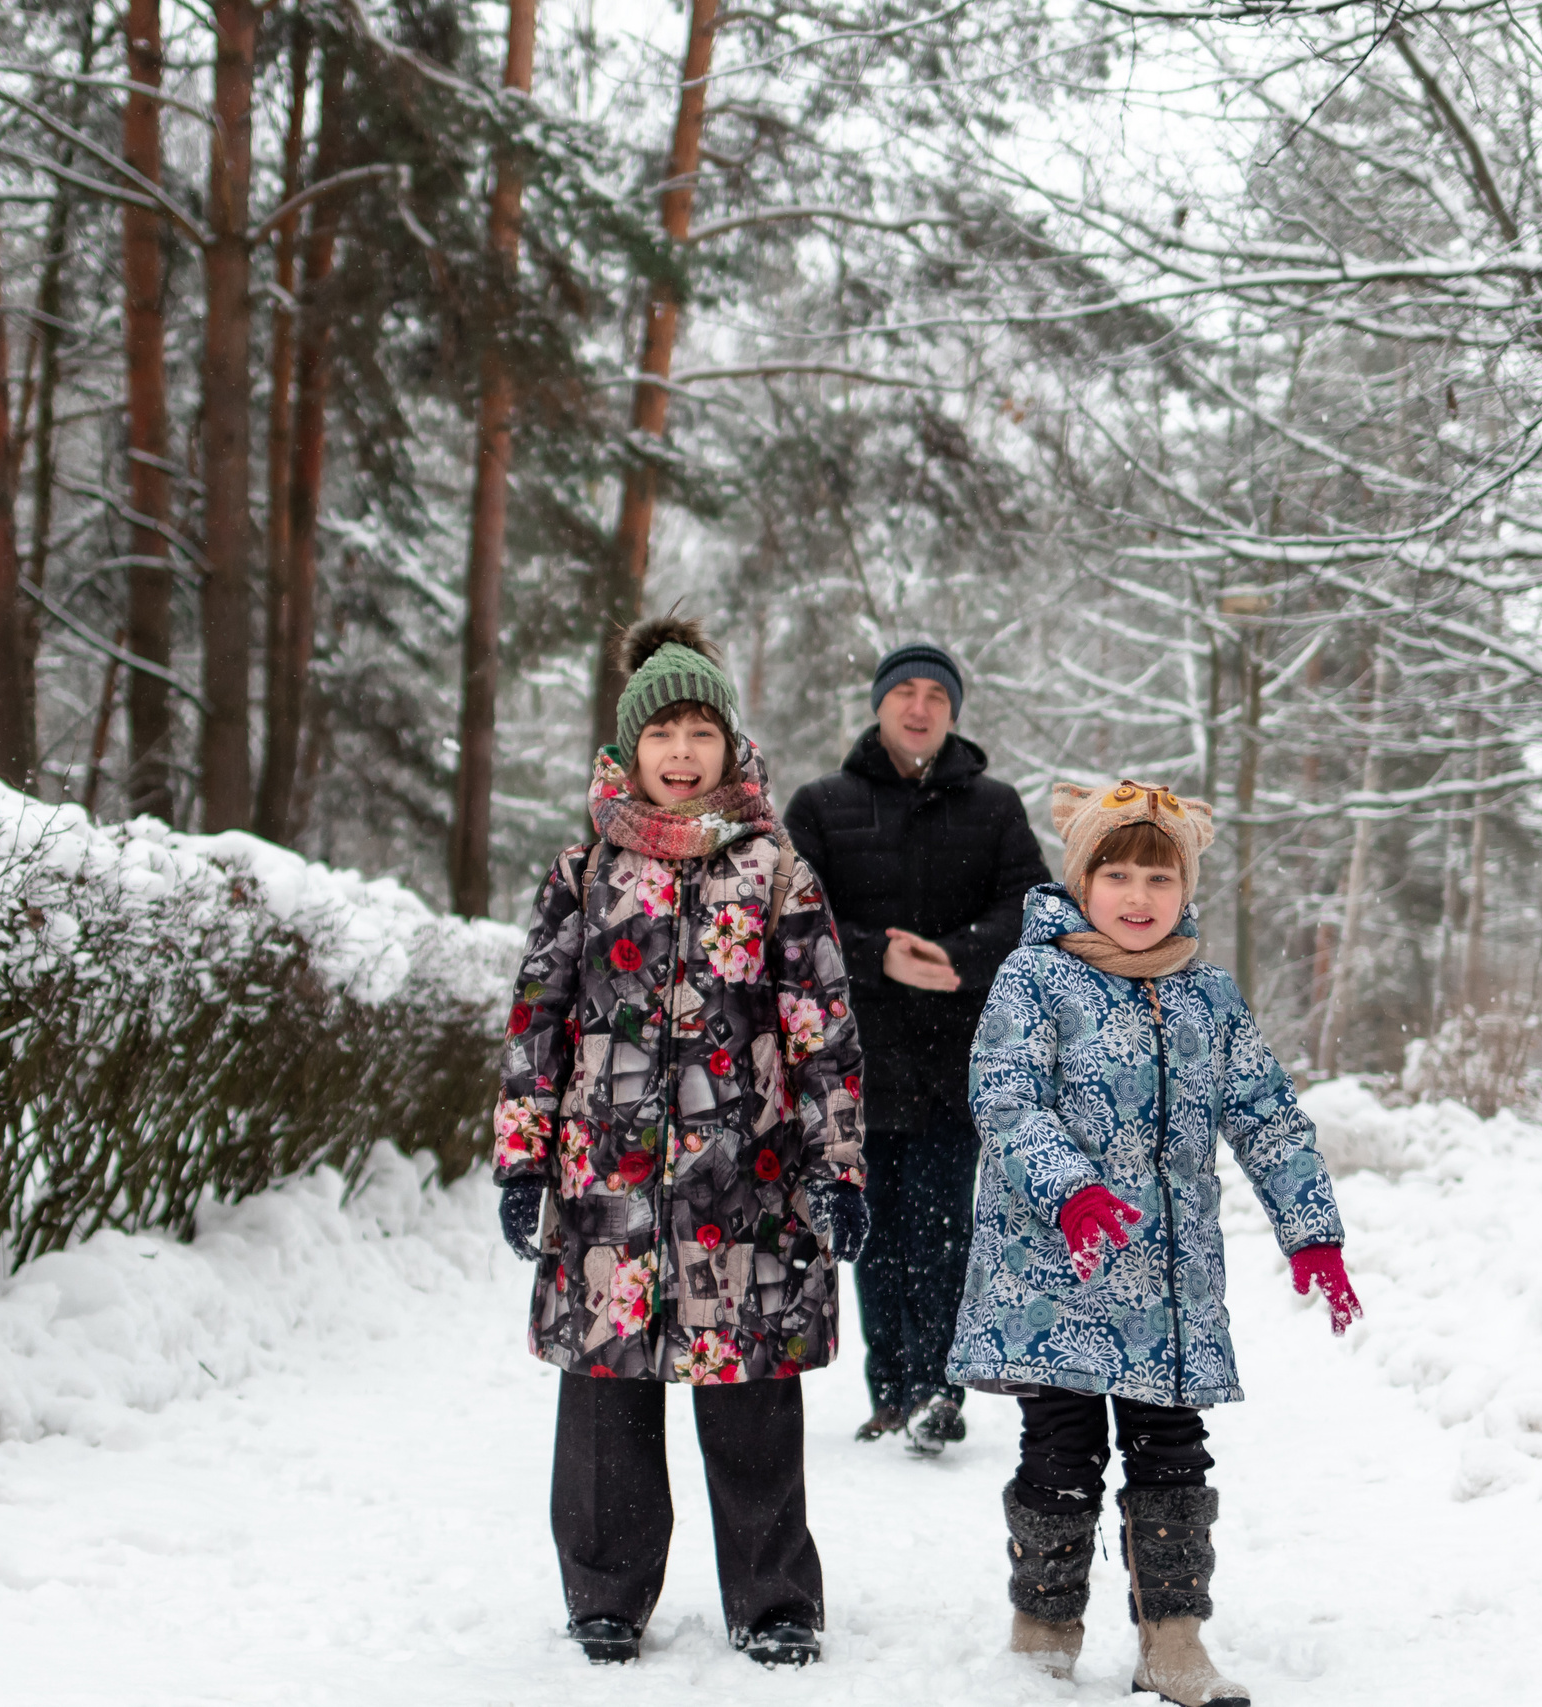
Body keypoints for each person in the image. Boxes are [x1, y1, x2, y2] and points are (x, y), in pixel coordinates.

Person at [490, 616, 868, 1670]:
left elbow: (822, 1031)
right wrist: (522, 1160)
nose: (682, 753)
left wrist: (835, 1167)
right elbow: (537, 1024)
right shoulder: (583, 871)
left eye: (701, 731)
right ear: (628, 750)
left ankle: (774, 1597)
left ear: (728, 747)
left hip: (744, 1180)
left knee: (749, 1389)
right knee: (607, 1393)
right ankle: (606, 1590)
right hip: (604, 1179)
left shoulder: (775, 872)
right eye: (663, 734)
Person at [945, 780, 1363, 1704]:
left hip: (1168, 1284)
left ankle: (1173, 1640)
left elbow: (1268, 1117)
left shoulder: (1208, 995)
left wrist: (1312, 1232)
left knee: (1174, 1449)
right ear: (1083, 879)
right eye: (1118, 873)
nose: (1139, 895)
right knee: (1059, 1451)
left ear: (1186, 888)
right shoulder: (1037, 976)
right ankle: (1044, 1631)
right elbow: (1006, 1097)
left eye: (1160, 876)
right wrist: (1072, 1191)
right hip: (1056, 1272)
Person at [784, 641, 1048, 1455]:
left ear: (955, 712)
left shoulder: (996, 806)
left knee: (945, 1226)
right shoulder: (822, 805)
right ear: (879, 705)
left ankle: (940, 1387)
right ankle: (890, 1390)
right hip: (852, 1059)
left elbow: (1029, 907)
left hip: (956, 1055)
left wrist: (960, 957)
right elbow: (790, 915)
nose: (921, 707)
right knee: (876, 1228)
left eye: (938, 694)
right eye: (906, 692)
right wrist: (877, 955)